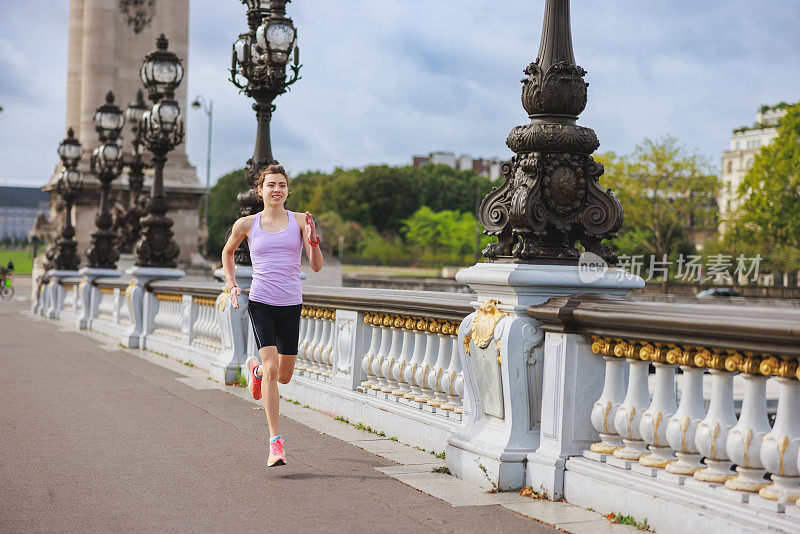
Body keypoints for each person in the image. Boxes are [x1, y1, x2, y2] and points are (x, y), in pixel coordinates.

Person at [221, 164, 323, 467]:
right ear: (260, 191)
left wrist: (314, 241)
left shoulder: (301, 221)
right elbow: (227, 253)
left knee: (283, 375)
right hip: (262, 301)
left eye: (282, 185)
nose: (276, 189)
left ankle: (256, 372)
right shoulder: (247, 224)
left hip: (291, 303)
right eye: (270, 185)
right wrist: (233, 286)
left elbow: (316, 266)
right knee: (270, 363)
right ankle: (275, 442)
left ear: (287, 190)